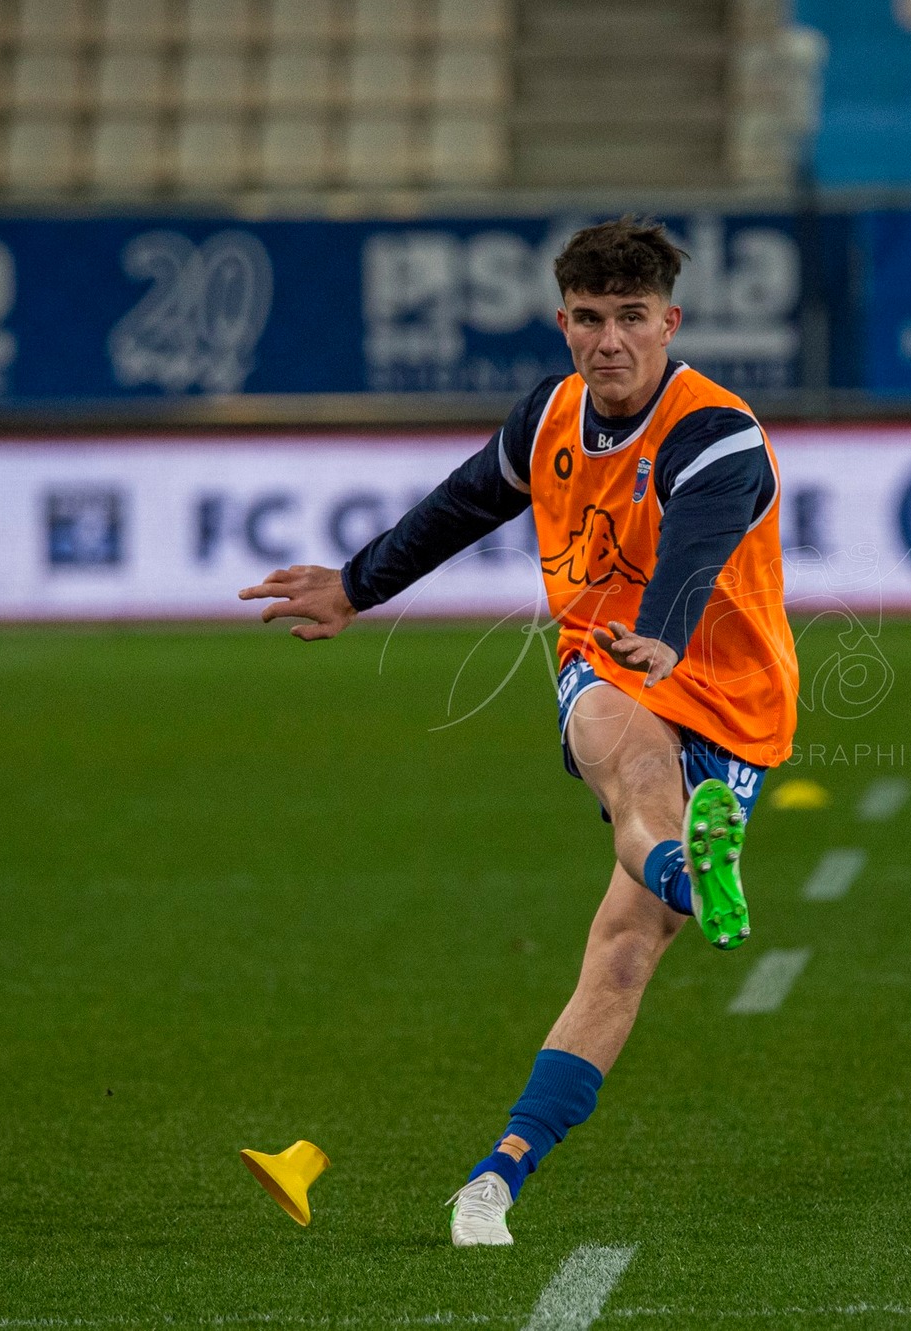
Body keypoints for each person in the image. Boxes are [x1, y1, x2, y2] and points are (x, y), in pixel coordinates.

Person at [239, 216, 798, 1247]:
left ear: (668, 322)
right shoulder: (547, 415)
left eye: (631, 318)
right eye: (588, 320)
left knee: (622, 951)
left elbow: (696, 544)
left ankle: (510, 1155)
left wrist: (665, 636)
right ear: (561, 323)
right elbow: (462, 504)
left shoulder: (714, 431)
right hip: (609, 666)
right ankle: (685, 877)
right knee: (618, 763)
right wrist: (356, 585)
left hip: (729, 697)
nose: (608, 342)